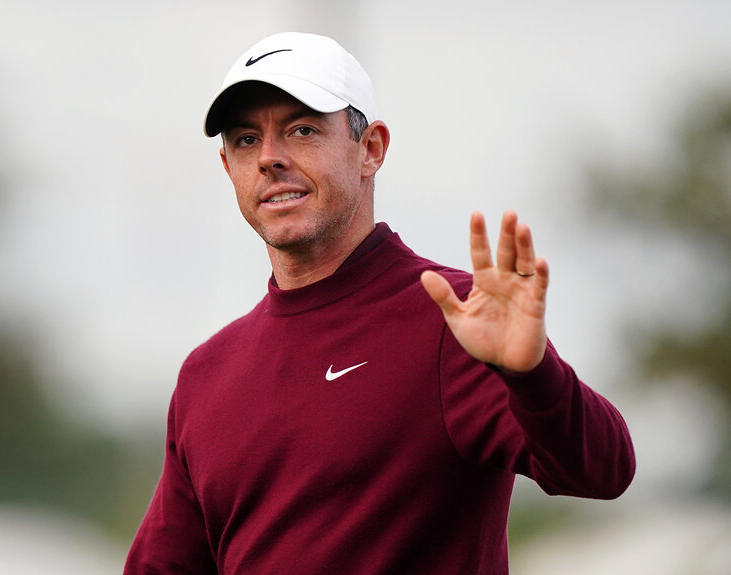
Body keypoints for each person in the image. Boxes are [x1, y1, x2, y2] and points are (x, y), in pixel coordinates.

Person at [125, 32, 635, 574]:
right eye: (247, 140)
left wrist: (534, 375)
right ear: (228, 166)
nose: (270, 158)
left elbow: (602, 472)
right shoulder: (207, 373)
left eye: (302, 130)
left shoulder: (458, 318)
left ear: (371, 149)